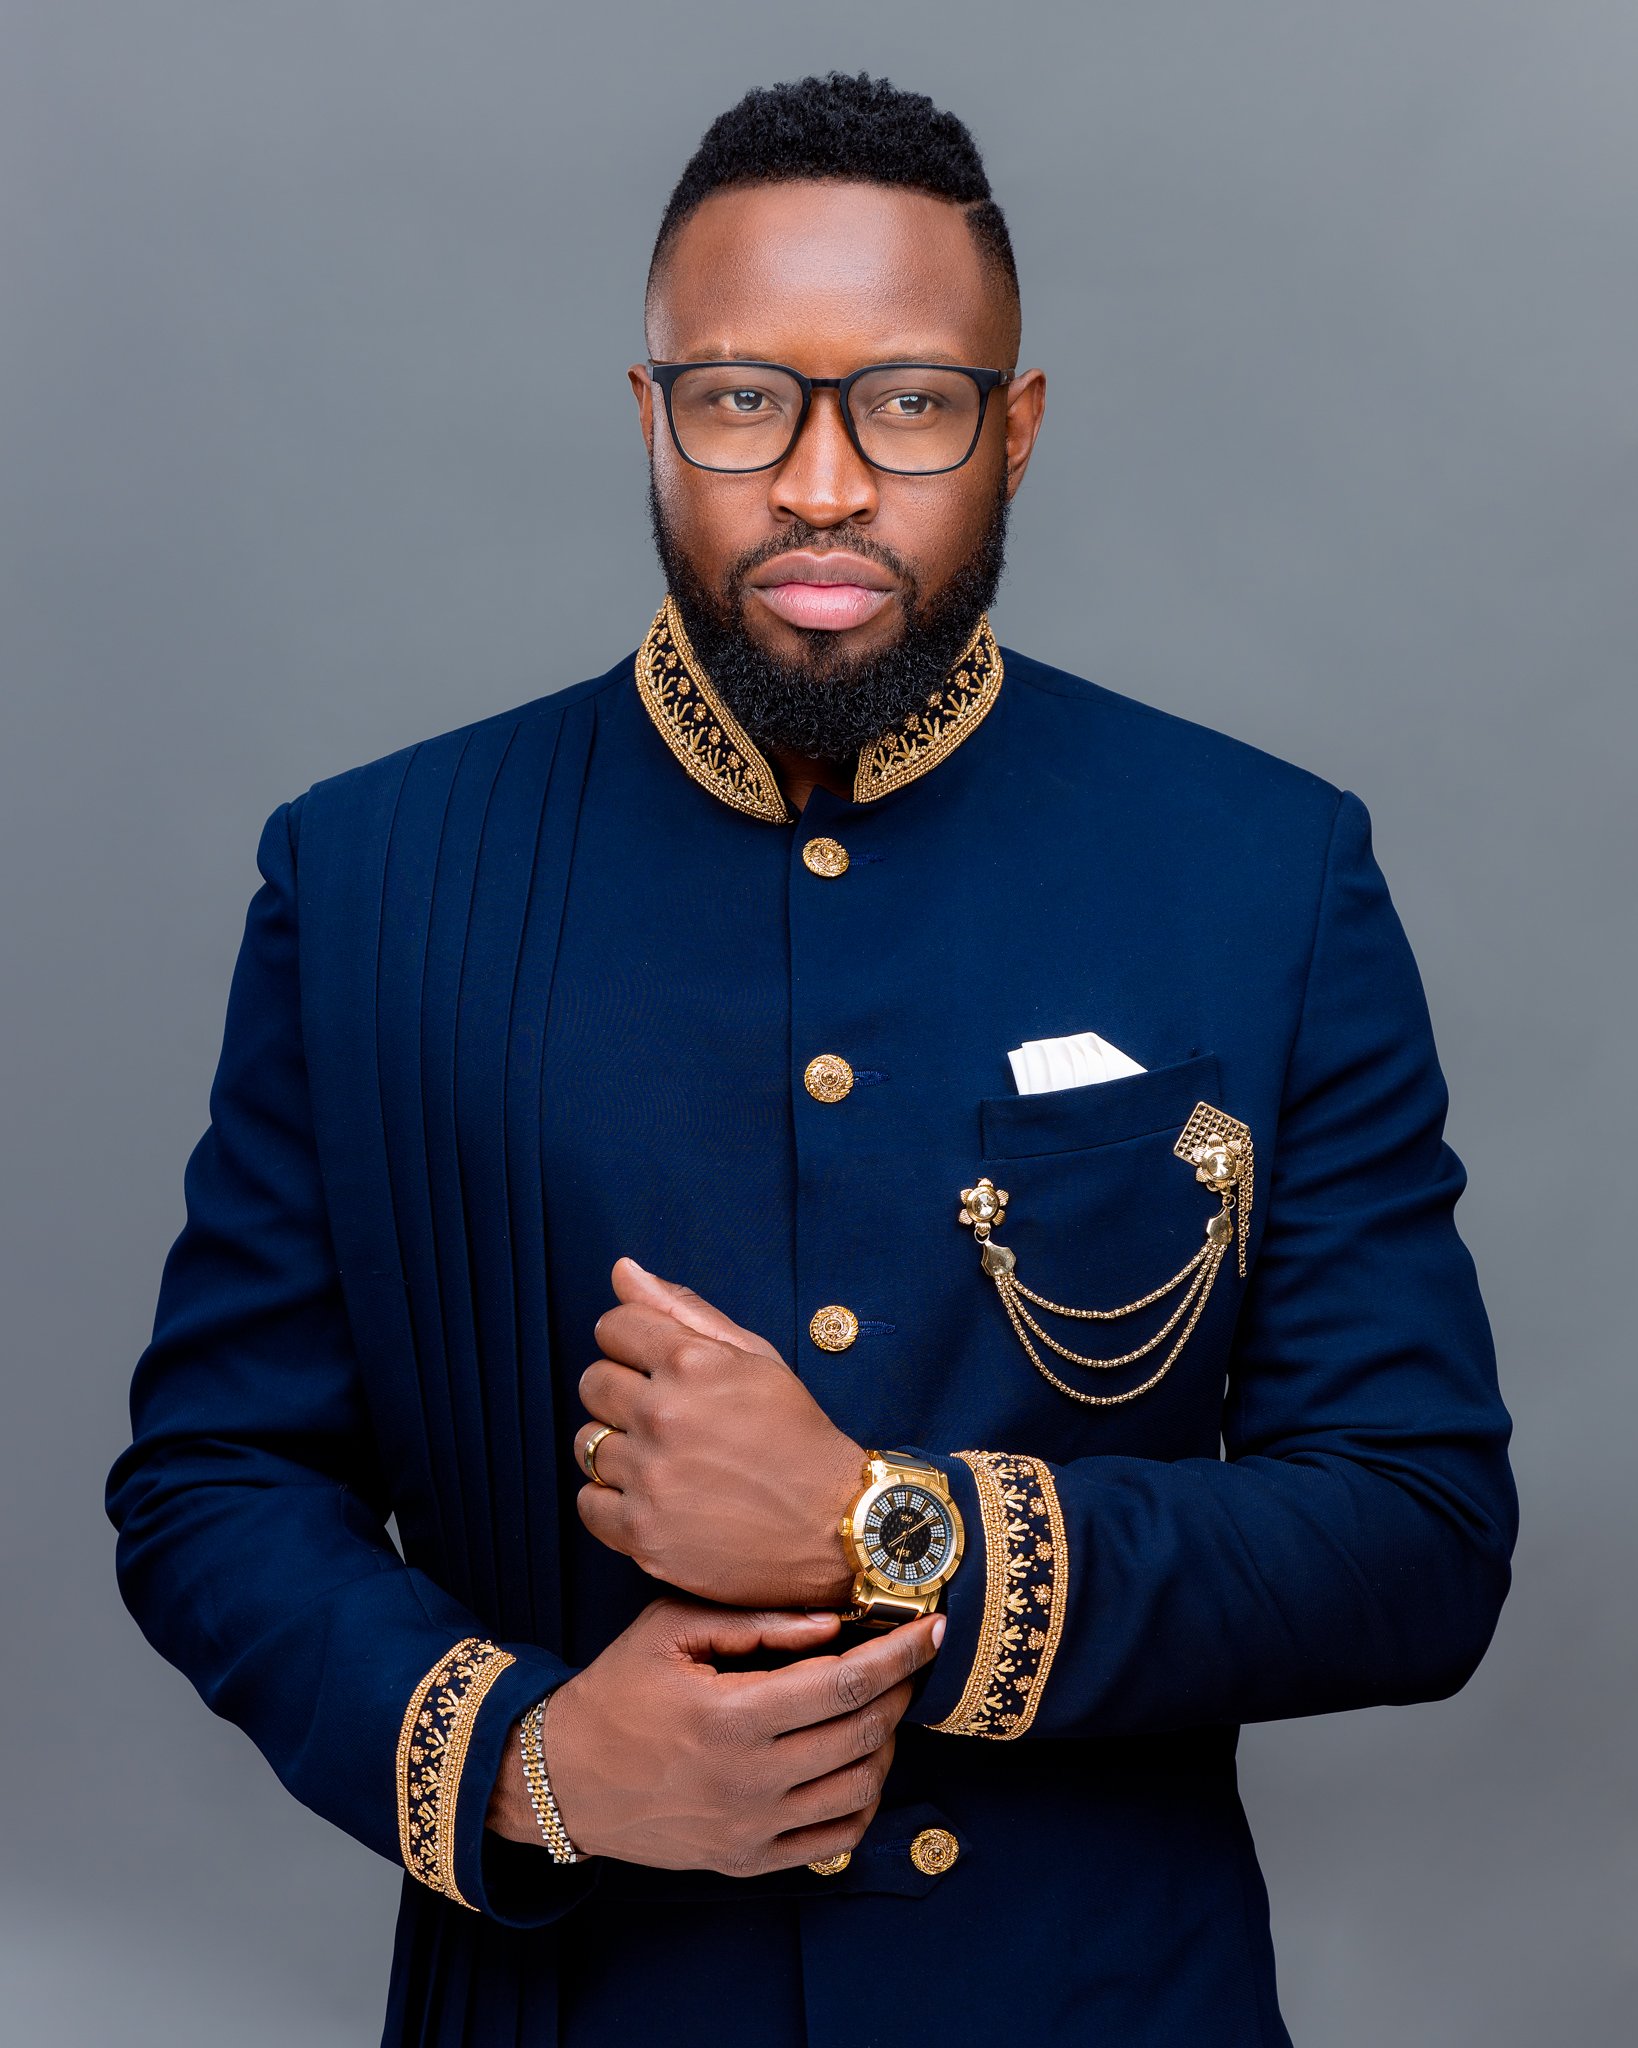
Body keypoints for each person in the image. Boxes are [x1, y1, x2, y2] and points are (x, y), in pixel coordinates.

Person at [107, 70, 1519, 2048]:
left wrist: (883, 1519)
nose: (826, 480)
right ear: (652, 416)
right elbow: (215, 1479)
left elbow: (1419, 1534)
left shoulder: (1264, 871)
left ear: (1015, 432)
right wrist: (534, 1762)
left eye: (912, 400)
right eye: (745, 395)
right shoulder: (369, 880)